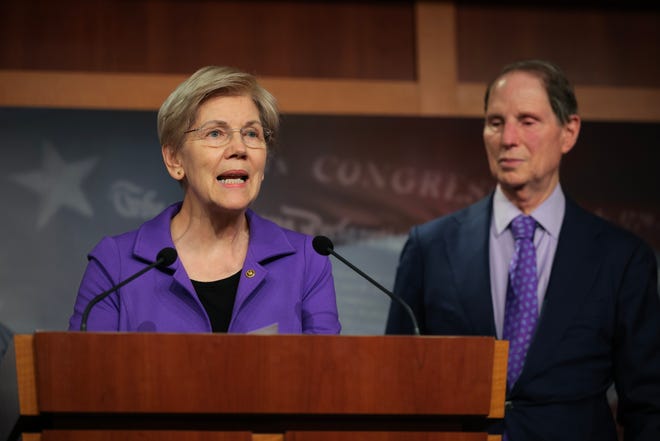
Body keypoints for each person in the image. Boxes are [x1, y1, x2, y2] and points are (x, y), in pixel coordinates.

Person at [386, 59, 660, 440]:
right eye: (496, 123)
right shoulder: (429, 247)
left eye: (527, 121)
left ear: (569, 132)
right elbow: (395, 390)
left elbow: (648, 403)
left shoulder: (622, 257)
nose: (508, 138)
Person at [69, 66, 341, 334]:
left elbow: (327, 375)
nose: (239, 149)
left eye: (251, 133)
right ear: (175, 159)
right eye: (215, 133)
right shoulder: (117, 265)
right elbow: (84, 373)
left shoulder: (307, 262)